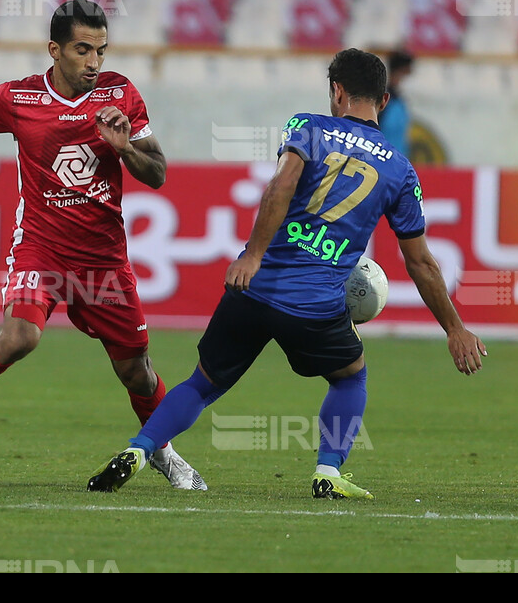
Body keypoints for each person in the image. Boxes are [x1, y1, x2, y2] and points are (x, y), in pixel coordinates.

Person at [87, 49, 486, 499]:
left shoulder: (308, 127)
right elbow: (421, 263)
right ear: (385, 98)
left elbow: (281, 185)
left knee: (201, 383)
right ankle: (327, 471)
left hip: (252, 290)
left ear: (337, 90)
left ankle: (140, 450)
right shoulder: (400, 170)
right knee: (350, 375)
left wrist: (253, 256)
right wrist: (455, 328)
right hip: (315, 307)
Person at [0, 0, 206, 490]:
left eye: (100, 51)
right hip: (40, 247)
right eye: (83, 50)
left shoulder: (120, 94)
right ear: (55, 50)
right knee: (21, 336)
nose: (93, 62)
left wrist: (124, 148)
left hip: (103, 258)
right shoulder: (16, 98)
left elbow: (159, 173)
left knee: (139, 375)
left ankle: (162, 451)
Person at [379, 49, 414, 156]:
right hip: (382, 159)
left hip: (398, 159)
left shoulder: (399, 100)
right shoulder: (383, 99)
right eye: (407, 72)